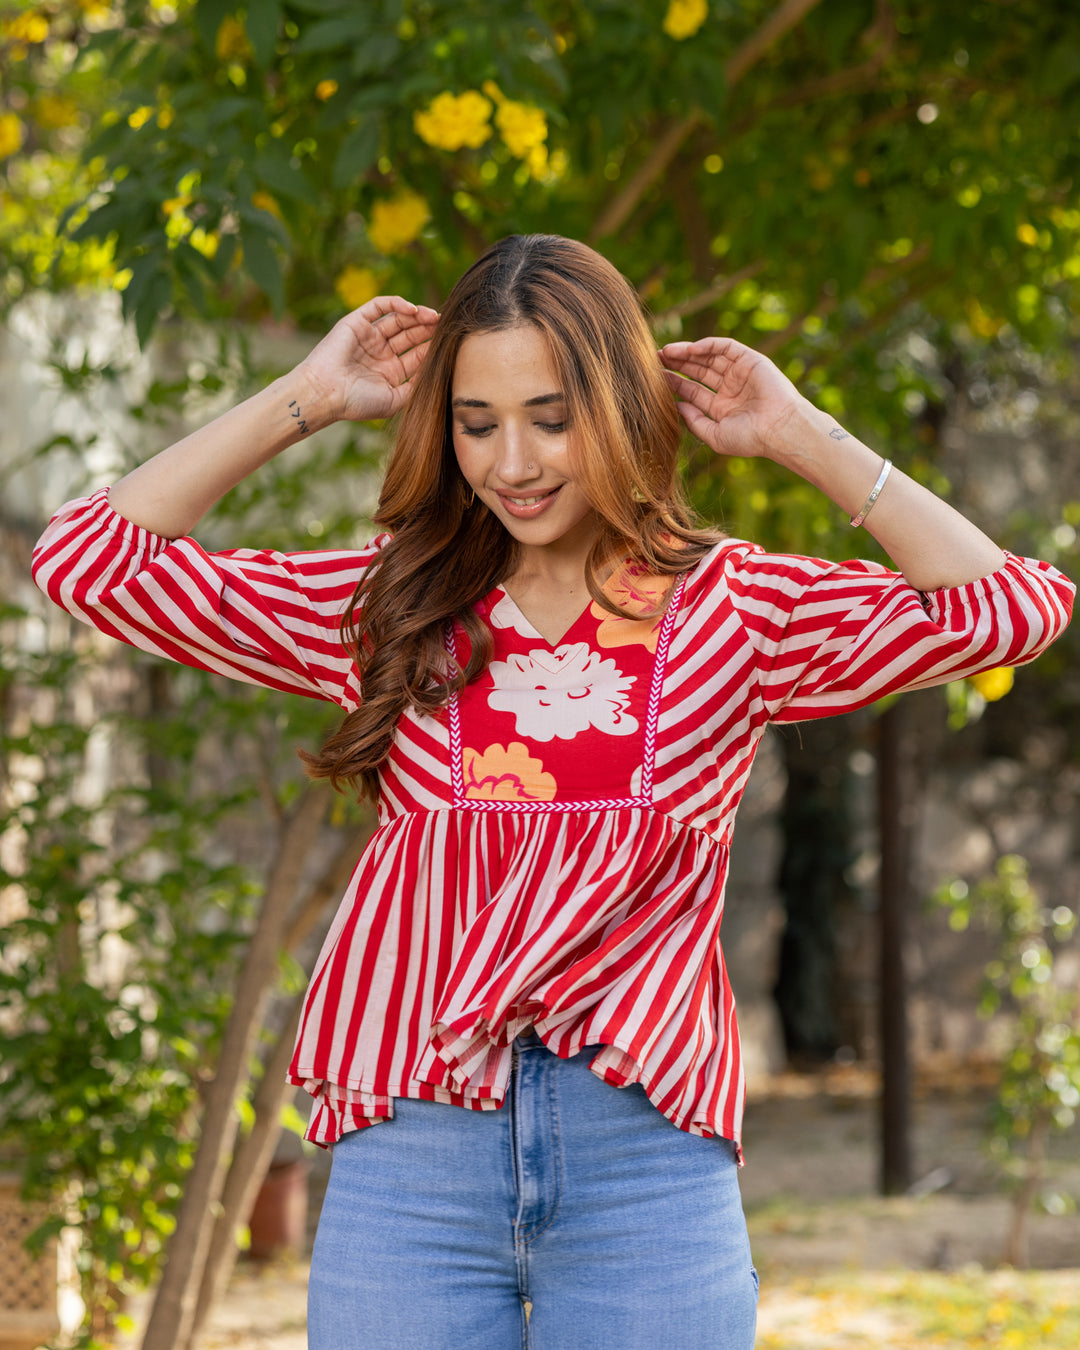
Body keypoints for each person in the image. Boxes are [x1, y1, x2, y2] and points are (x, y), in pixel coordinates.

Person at [33, 234, 1073, 1349]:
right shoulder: (391, 609)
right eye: (476, 424)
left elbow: (1009, 608)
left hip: (644, 1164)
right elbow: (89, 561)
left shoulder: (733, 612)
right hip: (413, 1156)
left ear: (622, 410)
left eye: (554, 416)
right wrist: (308, 397)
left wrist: (795, 434)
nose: (513, 461)